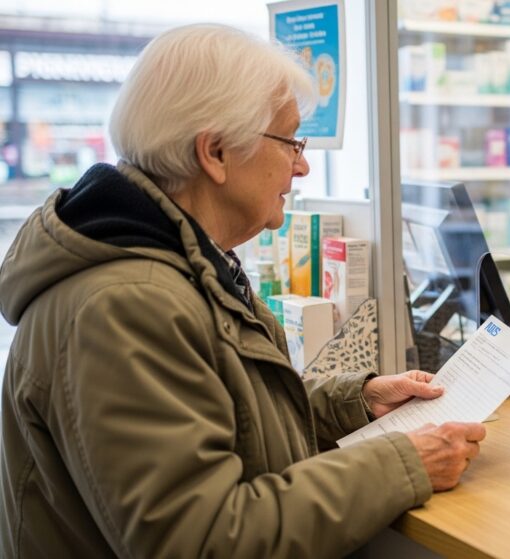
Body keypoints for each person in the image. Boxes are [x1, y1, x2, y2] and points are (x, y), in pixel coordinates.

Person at [0, 24, 485, 557]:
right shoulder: (123, 306)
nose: (301, 165)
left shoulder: (182, 264)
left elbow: (231, 420)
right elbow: (200, 539)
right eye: (291, 142)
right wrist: (404, 463)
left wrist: (358, 402)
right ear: (215, 152)